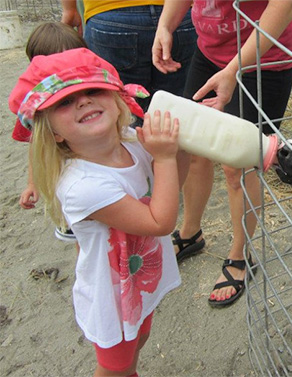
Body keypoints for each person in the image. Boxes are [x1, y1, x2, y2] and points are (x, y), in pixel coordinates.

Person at [8, 48, 185, 376]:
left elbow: (171, 186)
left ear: (115, 100)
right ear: (55, 133)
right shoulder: (82, 185)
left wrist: (185, 140)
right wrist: (166, 157)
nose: (84, 101)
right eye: (64, 102)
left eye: (92, 91)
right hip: (112, 297)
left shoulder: (131, 141)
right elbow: (160, 221)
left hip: (137, 279)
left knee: (139, 341)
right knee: (113, 368)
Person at [152, 0, 292, 306]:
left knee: (238, 164)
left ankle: (240, 254)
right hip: (211, 52)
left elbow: (286, 5)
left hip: (265, 58)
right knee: (192, 144)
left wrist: (234, 69)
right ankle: (191, 233)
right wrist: (165, 25)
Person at [12, 21, 88, 242]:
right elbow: (35, 148)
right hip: (65, 183)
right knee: (80, 236)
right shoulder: (35, 110)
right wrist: (32, 183)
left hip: (97, 177)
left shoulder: (92, 96)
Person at [61, 0, 197, 112]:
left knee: (121, 111)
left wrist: (69, 9)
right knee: (176, 109)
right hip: (178, 13)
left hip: (109, 14)